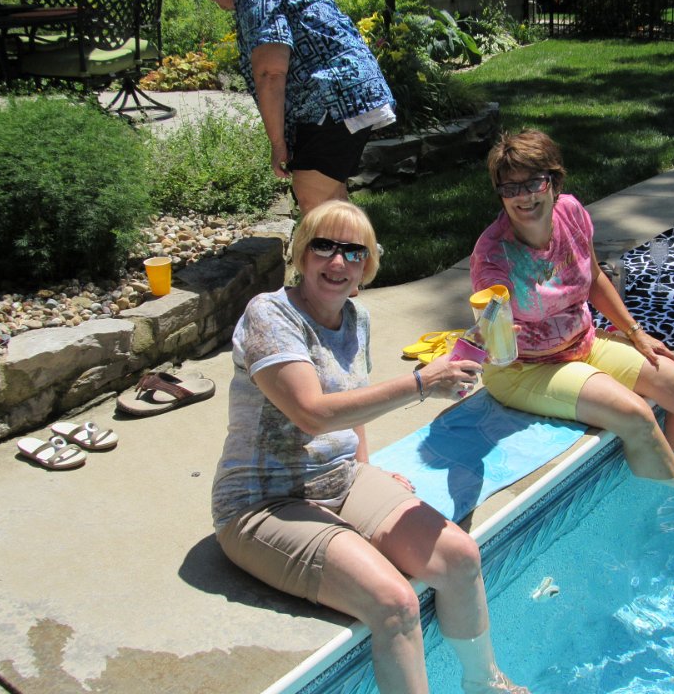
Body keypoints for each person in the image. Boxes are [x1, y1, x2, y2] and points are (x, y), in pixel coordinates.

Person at [211, 200, 529, 694]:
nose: (338, 262)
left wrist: (365, 469)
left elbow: (352, 401)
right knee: (394, 604)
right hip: (263, 501)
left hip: (340, 480)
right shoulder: (270, 315)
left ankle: (484, 682)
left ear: (367, 266)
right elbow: (312, 412)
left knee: (461, 557)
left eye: (354, 252)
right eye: (324, 246)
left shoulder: (355, 318)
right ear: (302, 253)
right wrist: (421, 382)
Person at [469, 129, 674, 512]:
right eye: (510, 188)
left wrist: (635, 333)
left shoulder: (571, 213)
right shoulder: (493, 255)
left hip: (583, 342)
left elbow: (594, 277)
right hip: (525, 368)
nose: (523, 197)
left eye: (533, 183)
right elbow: (490, 318)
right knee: (635, 414)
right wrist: (492, 330)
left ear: (554, 182)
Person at [195, 0, 395, 216]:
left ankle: (336, 241)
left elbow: (270, 73)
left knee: (314, 202)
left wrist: (277, 143)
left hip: (332, 100)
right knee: (331, 202)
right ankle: (352, 242)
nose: (221, 7)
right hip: (351, 92)